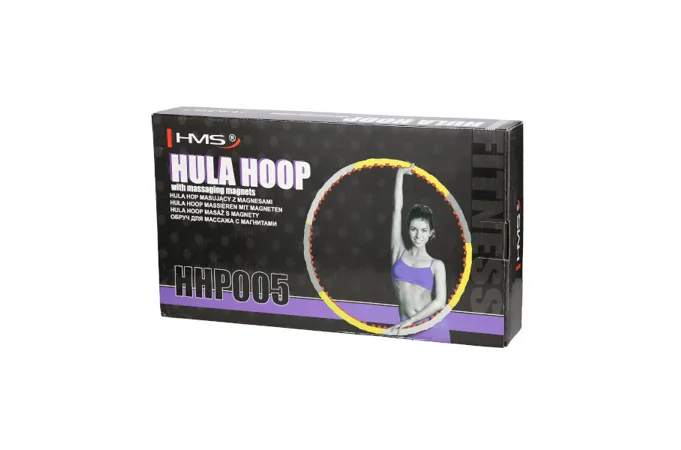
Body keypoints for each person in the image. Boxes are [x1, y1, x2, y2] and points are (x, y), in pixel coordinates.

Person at [387, 165, 446, 335]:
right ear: (408, 229)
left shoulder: (436, 265)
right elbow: (397, 209)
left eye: (424, 230)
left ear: (431, 233)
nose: (418, 235)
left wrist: (411, 321)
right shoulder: (398, 251)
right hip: (403, 327)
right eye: (414, 229)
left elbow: (440, 302)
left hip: (429, 326)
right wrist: (400, 174)